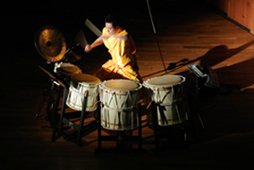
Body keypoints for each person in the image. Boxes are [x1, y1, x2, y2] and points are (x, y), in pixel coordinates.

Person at [84, 13, 142, 82]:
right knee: (96, 78)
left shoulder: (124, 36)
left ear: (118, 27)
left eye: (110, 28)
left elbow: (129, 46)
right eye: (106, 27)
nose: (107, 30)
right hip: (114, 63)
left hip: (125, 66)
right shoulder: (108, 31)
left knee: (136, 84)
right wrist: (91, 46)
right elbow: (104, 36)